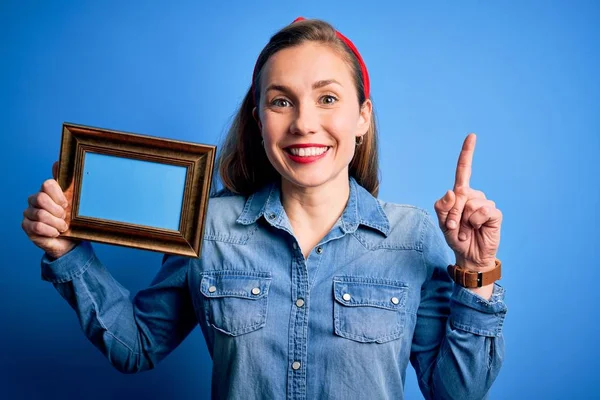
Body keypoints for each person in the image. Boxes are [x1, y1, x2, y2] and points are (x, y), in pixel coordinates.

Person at [21, 17, 506, 400]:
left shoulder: (412, 235)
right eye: (281, 102)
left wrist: (477, 272)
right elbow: (136, 345)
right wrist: (68, 253)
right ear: (258, 121)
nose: (304, 123)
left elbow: (455, 392)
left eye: (328, 98)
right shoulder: (207, 228)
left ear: (362, 116)